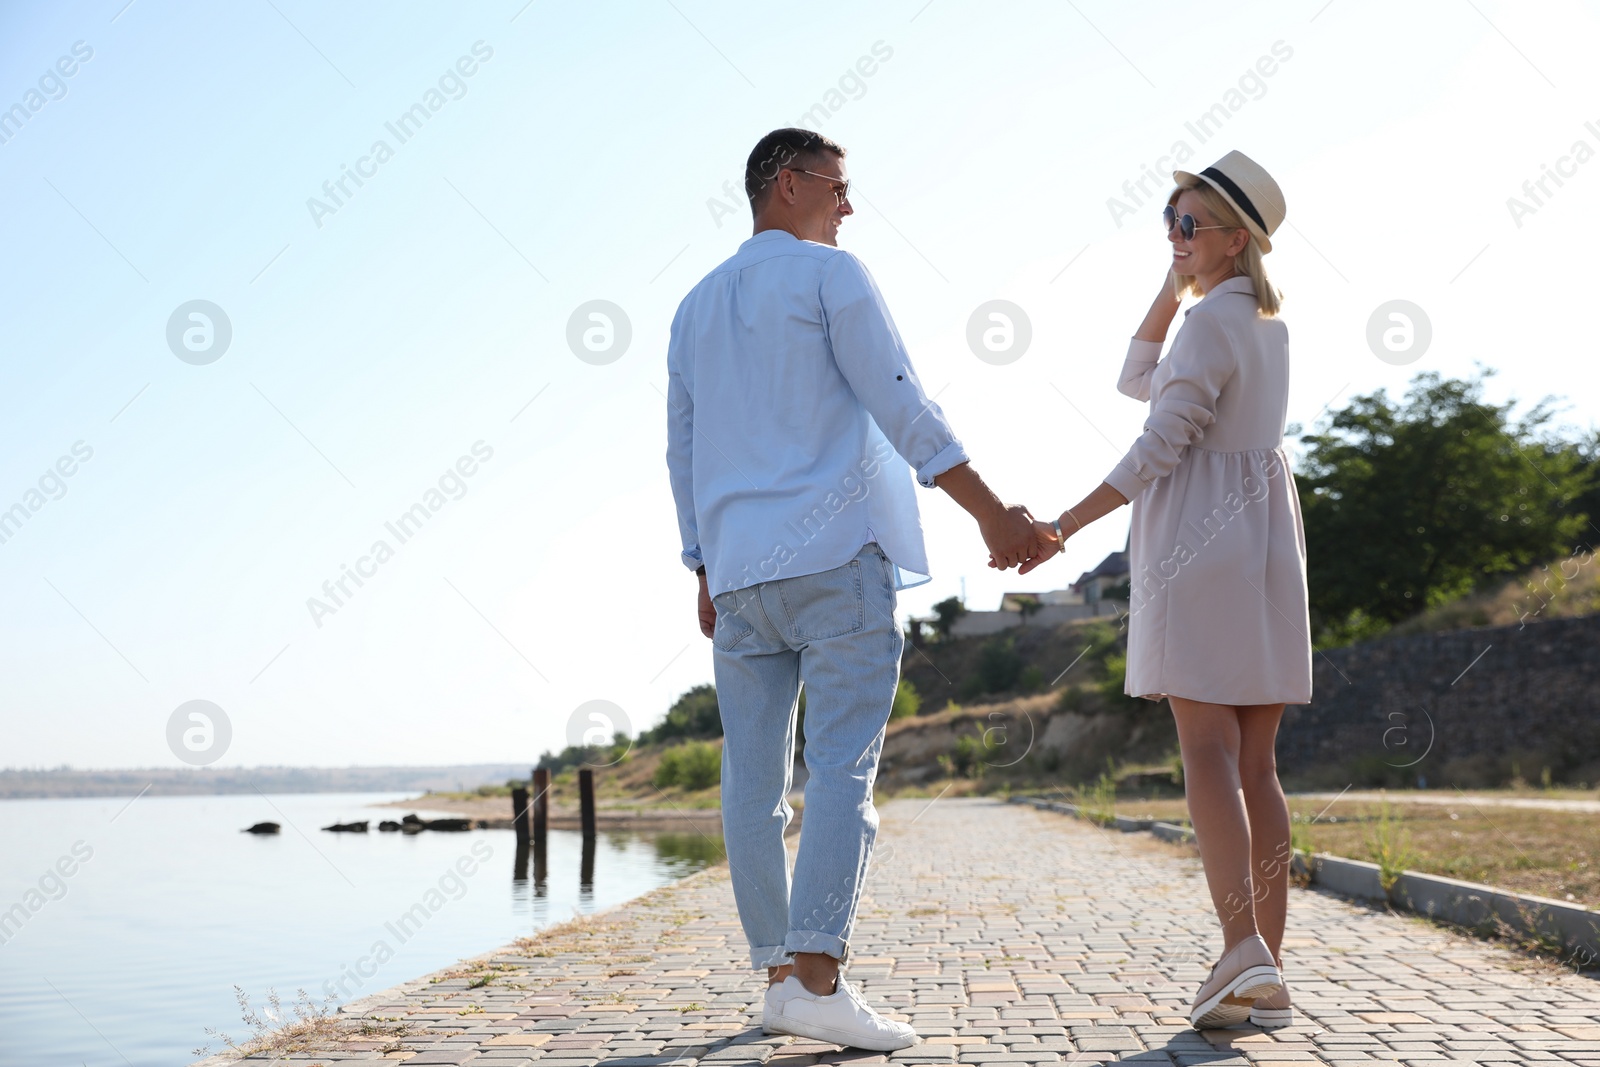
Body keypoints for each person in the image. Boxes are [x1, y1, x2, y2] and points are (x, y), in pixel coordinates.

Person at [665, 128, 1039, 1051]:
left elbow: (682, 448)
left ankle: (780, 977)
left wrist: (701, 564)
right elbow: (901, 399)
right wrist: (992, 512)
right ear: (788, 184)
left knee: (750, 787)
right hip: (834, 558)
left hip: (741, 578)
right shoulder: (833, 276)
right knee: (840, 771)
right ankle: (820, 981)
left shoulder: (693, 307)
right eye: (839, 186)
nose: (849, 205)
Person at [1017, 150, 1310, 1030]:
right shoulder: (1262, 323)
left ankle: (1238, 950)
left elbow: (1158, 442)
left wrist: (1064, 524)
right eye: (1169, 225)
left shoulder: (1210, 328)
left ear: (1237, 237)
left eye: (1190, 226)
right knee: (1257, 764)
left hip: (1200, 538)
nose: (1175, 239)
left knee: (1208, 755)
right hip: (1265, 540)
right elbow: (1138, 379)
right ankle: (1263, 969)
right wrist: (1175, 278)